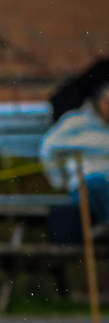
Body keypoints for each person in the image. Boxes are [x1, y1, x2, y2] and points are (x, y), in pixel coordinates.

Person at [41, 81, 109, 243]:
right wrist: (59, 181)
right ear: (99, 101)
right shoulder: (76, 123)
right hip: (86, 185)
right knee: (97, 185)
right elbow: (48, 148)